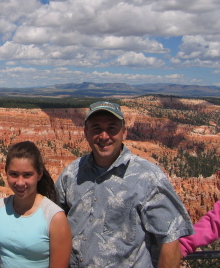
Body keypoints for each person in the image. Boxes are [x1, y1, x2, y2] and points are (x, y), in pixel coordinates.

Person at [55, 101, 194, 268]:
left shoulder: (148, 177)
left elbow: (170, 238)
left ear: (124, 132)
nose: (104, 136)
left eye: (112, 128)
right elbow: (53, 223)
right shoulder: (71, 173)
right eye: (96, 128)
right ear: (86, 132)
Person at [0, 141, 72, 268]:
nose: (20, 183)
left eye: (27, 175)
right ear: (6, 172)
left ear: (39, 174)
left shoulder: (54, 217)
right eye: (14, 174)